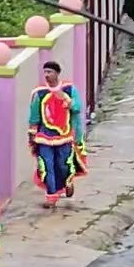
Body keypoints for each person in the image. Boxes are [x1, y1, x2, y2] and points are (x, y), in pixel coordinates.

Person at [27, 60, 87, 208]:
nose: (47, 75)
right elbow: (34, 114)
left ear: (57, 73)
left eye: (50, 72)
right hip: (44, 137)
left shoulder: (68, 89)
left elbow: (78, 107)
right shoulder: (39, 92)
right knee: (47, 165)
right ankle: (51, 195)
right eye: (45, 72)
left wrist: (67, 101)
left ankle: (67, 182)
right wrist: (32, 133)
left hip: (65, 136)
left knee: (63, 164)